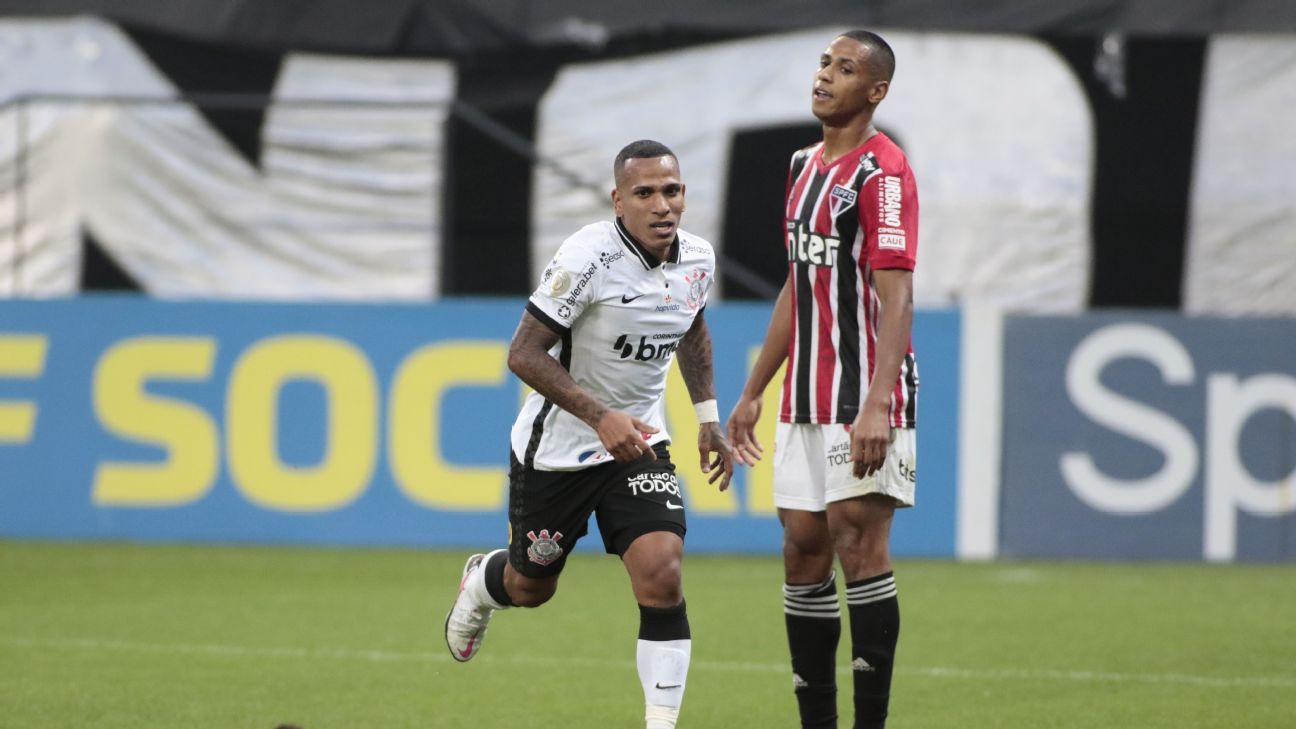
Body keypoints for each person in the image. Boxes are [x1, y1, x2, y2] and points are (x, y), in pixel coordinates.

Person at [444, 139, 734, 729]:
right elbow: (523, 354)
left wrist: (707, 418)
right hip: (559, 449)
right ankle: (482, 582)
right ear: (618, 201)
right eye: (645, 193)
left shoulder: (698, 259)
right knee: (531, 587)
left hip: (639, 444)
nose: (662, 206)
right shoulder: (588, 257)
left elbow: (692, 331)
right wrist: (600, 416)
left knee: (663, 570)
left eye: (672, 191)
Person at [727, 30, 919, 729]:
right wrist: (753, 390)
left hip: (863, 396)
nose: (825, 77)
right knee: (802, 549)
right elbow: (797, 286)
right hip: (803, 397)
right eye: (823, 64)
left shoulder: (883, 173)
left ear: (875, 91)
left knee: (857, 542)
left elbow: (897, 295)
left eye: (844, 70)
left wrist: (876, 407)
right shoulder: (803, 164)